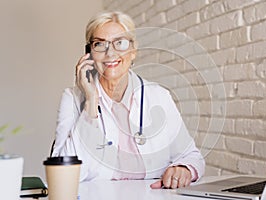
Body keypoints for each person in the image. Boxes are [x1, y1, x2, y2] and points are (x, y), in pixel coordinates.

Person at [52, 11, 205, 189]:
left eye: (120, 43)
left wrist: (183, 168)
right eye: (99, 44)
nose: (110, 53)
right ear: (90, 53)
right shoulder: (72, 99)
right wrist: (91, 102)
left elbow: (191, 156)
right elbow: (62, 173)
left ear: (133, 51)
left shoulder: (159, 96)